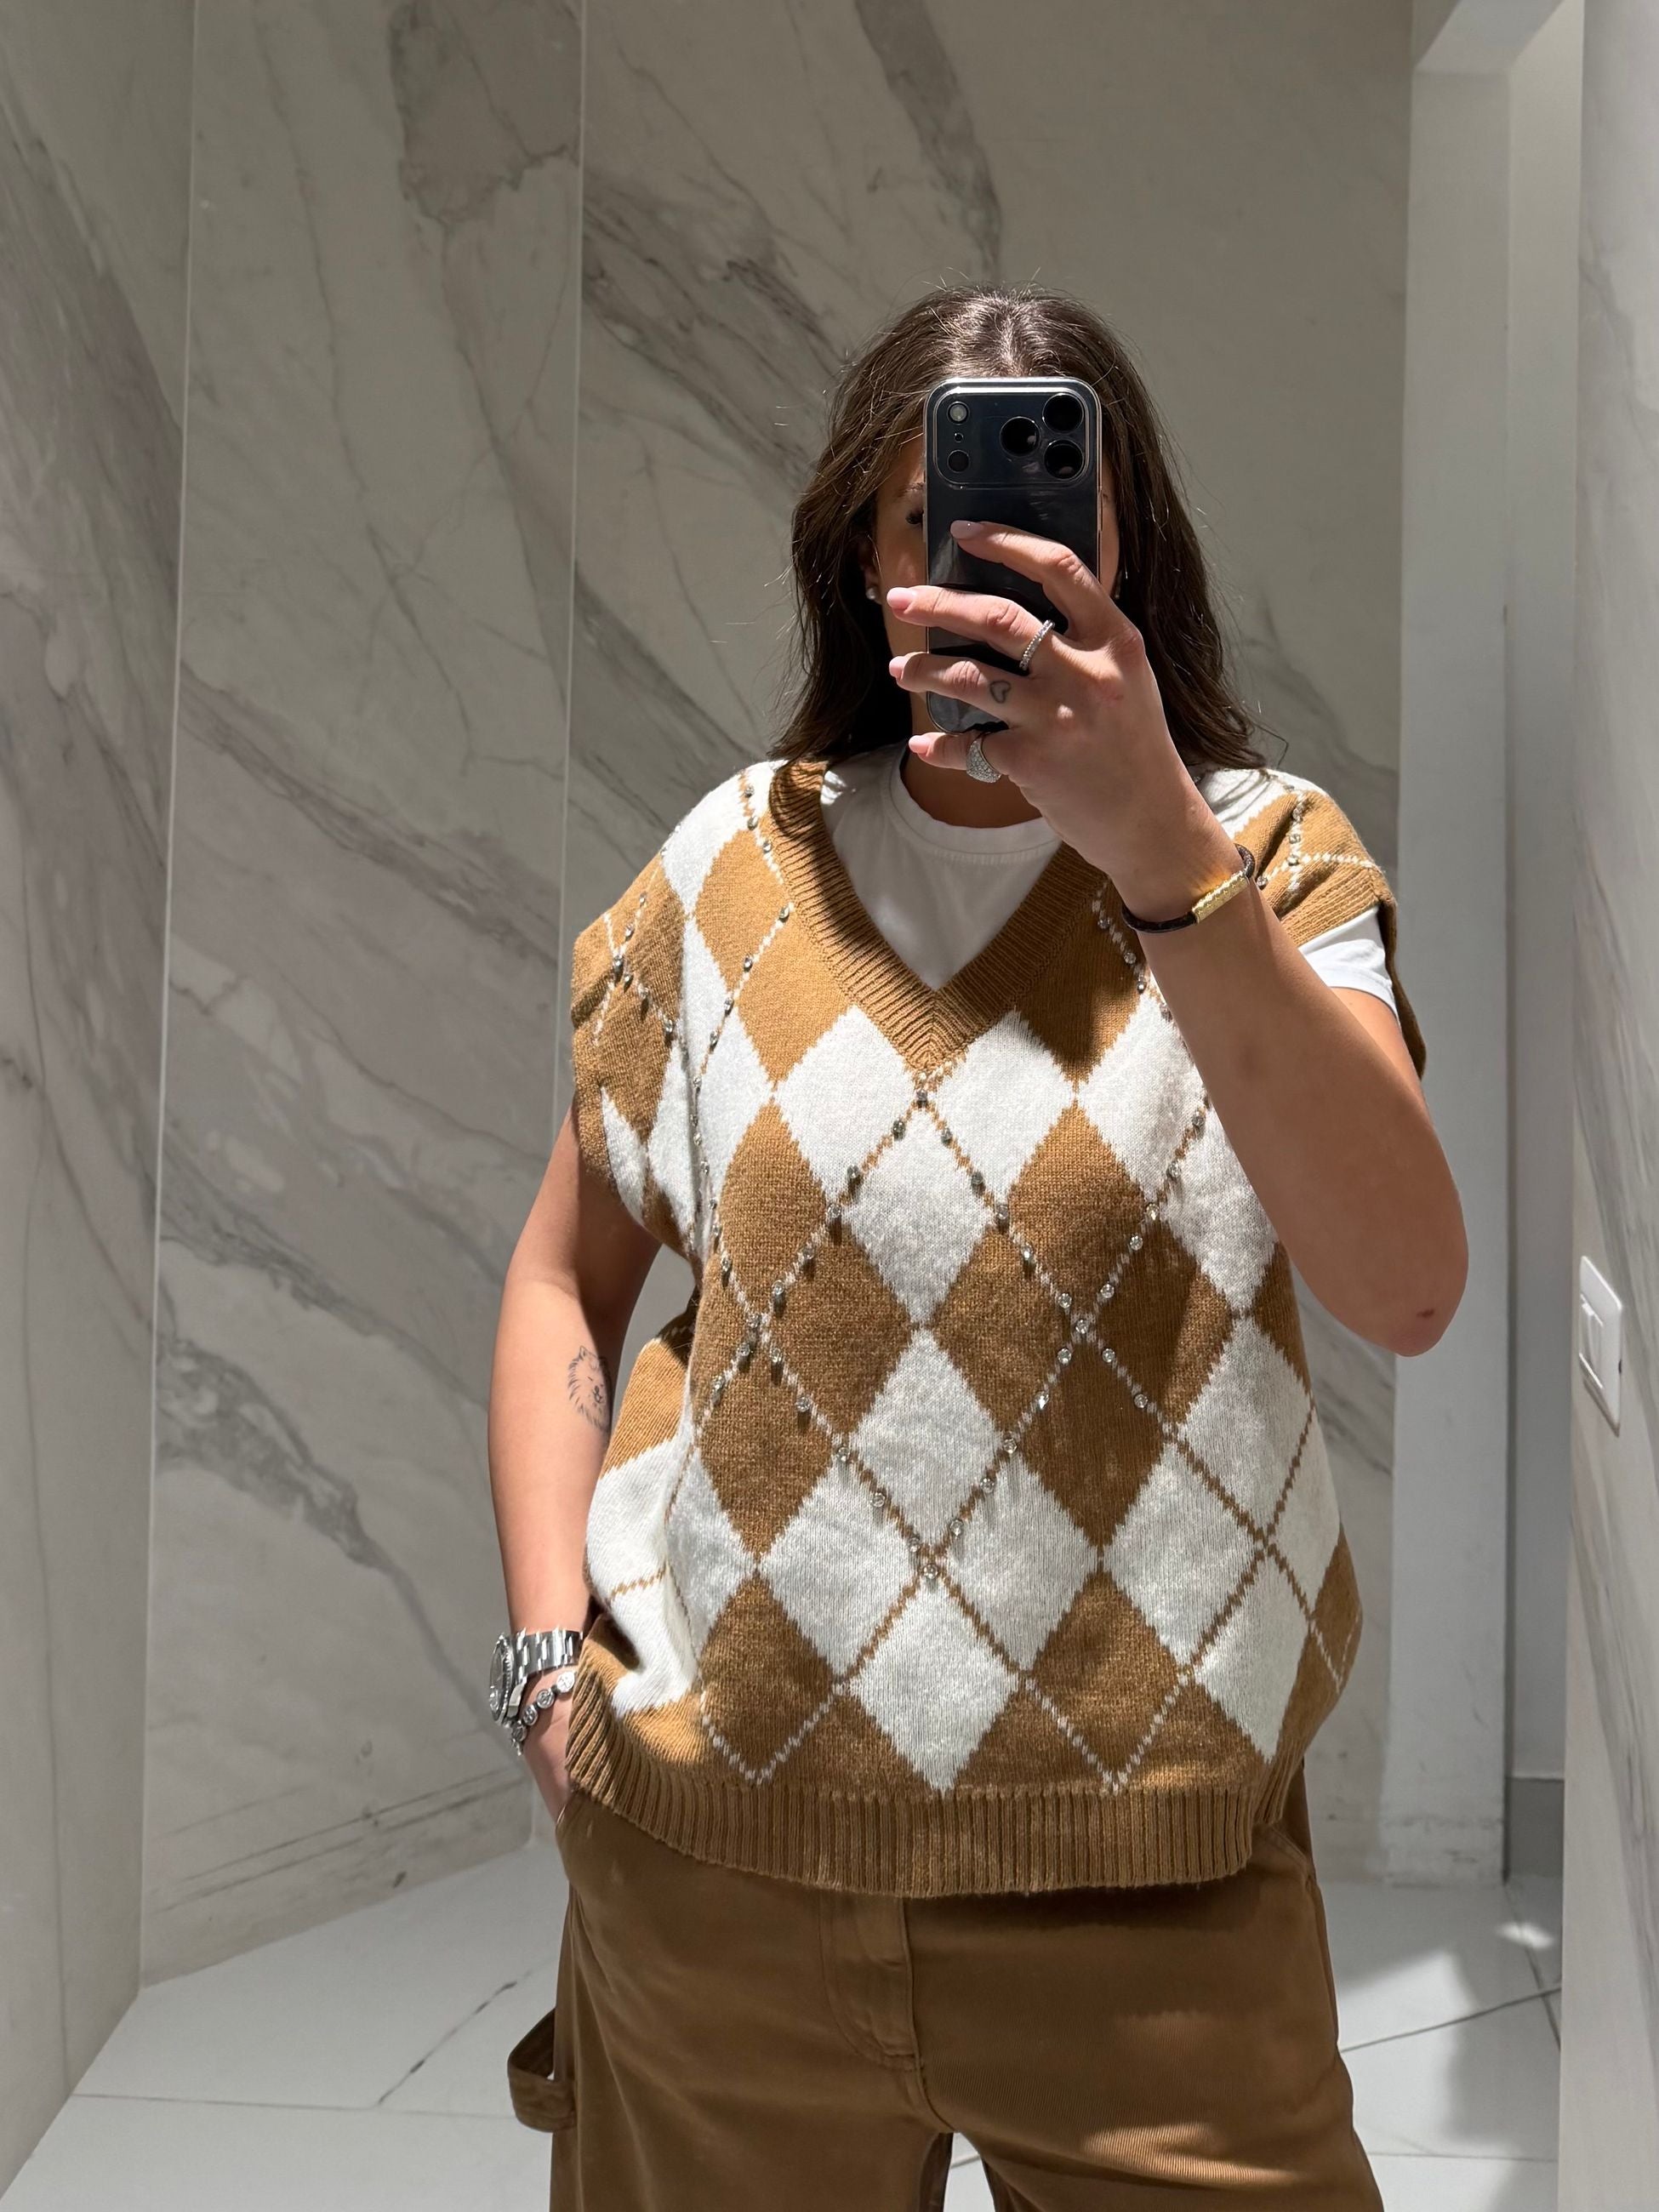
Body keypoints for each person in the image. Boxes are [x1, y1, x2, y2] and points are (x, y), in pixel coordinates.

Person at [487, 282, 1465, 2209]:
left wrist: (1160, 851)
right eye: (930, 513)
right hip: (715, 1882)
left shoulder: (1266, 857)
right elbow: (559, 1286)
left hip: (1153, 1908)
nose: (986, 557)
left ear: (1122, 543)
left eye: (1042, 506)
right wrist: (542, 1666)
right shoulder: (731, 866)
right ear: (861, 559)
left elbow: (1405, 1286)